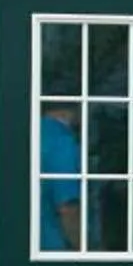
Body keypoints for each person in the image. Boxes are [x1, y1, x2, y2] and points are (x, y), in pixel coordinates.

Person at [38, 103, 83, 251]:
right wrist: (84, 251)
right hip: (55, 247)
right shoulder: (62, 142)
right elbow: (68, 208)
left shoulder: (31, 133)